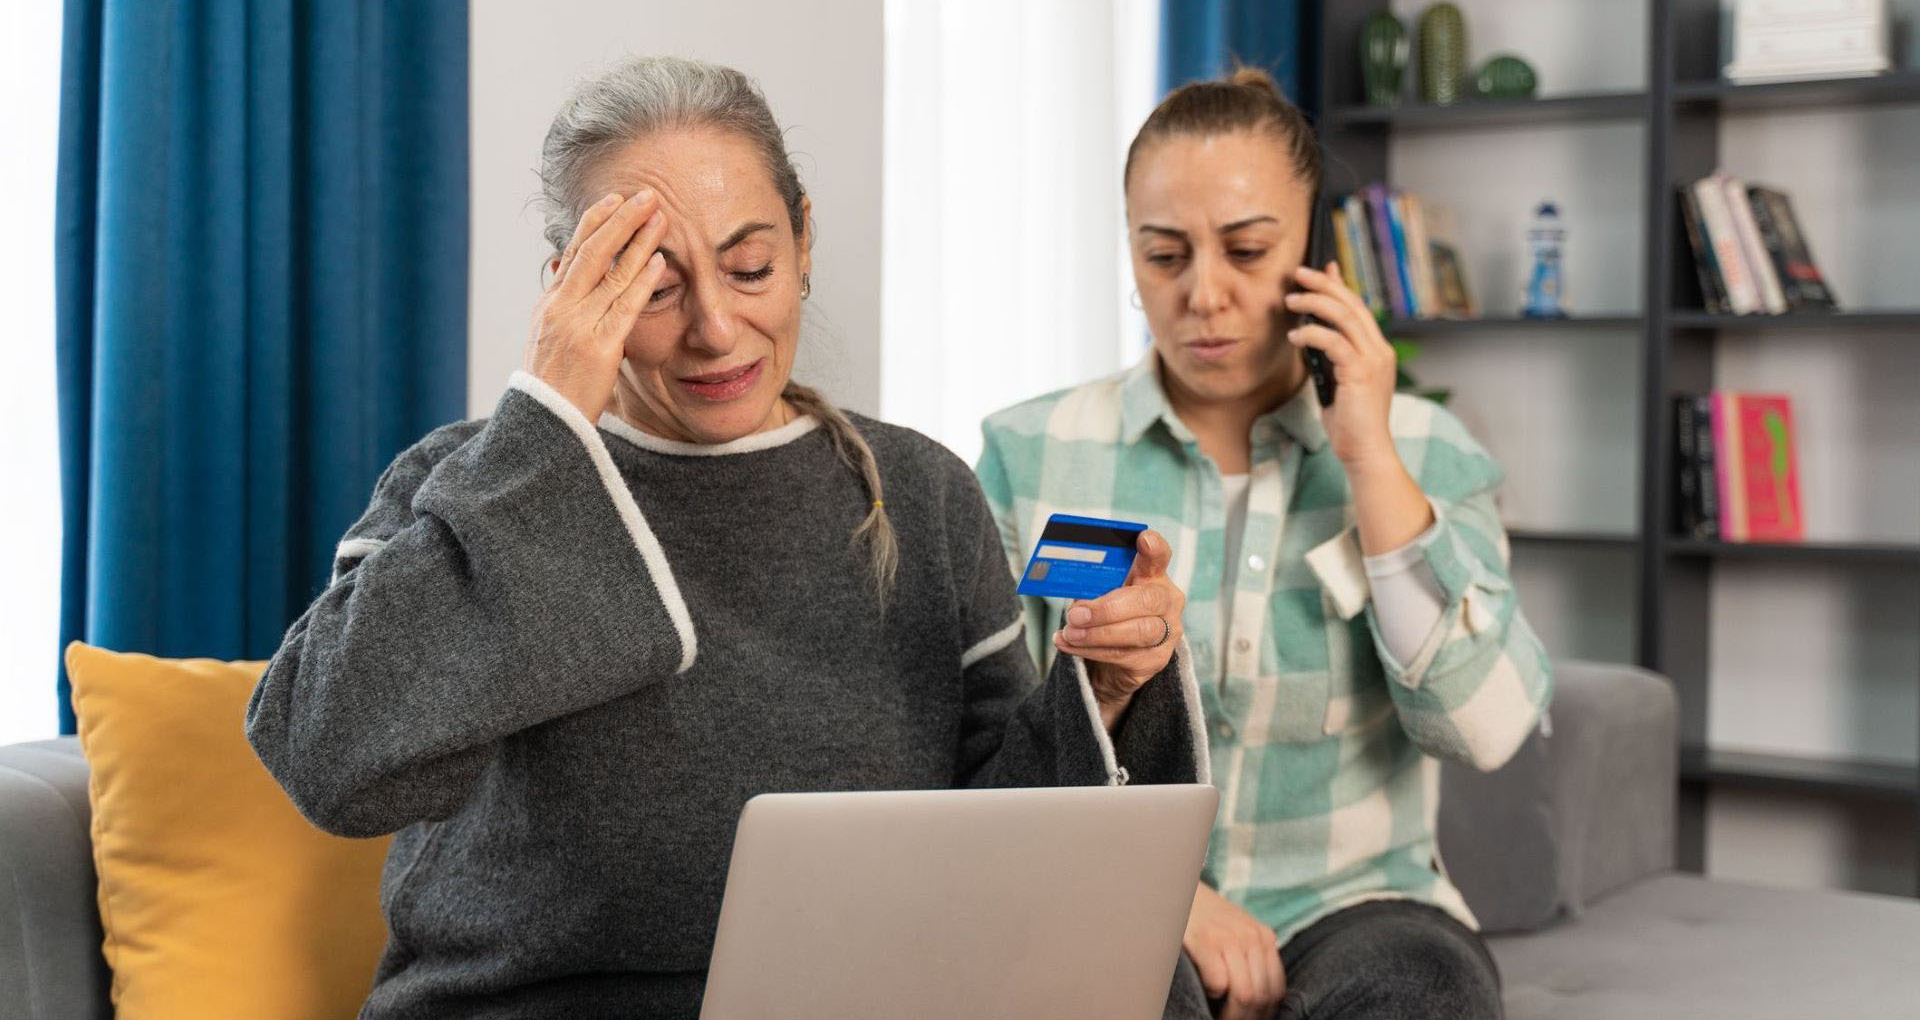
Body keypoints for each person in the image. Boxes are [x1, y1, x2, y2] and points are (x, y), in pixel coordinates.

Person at [245, 56, 1212, 1019]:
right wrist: (546, 418)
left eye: (751, 268)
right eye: (654, 287)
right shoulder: (472, 481)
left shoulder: (922, 494)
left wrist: (1110, 690)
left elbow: (1005, 845)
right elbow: (332, 762)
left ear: (802, 242)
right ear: (573, 291)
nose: (716, 327)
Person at [976, 68, 1552, 1020]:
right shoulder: (1030, 452)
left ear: (1314, 250)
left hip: (1361, 903)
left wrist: (1367, 455)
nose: (1205, 294)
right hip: (1114, 894)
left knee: (1423, 999)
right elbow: (996, 747)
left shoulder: (1427, 451)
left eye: (1247, 250)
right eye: (1164, 256)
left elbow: (1487, 729)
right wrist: (1171, 899)